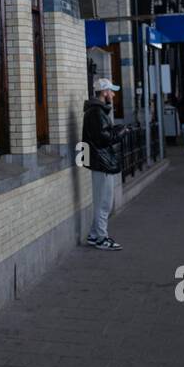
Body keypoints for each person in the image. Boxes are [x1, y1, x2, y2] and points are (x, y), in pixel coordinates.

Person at [82, 78, 124, 250]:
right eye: (111, 91)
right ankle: (101, 238)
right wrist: (119, 134)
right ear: (105, 92)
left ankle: (94, 235)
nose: (113, 95)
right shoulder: (96, 113)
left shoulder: (97, 112)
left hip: (100, 161)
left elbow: (101, 134)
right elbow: (103, 139)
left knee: (103, 200)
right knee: (104, 202)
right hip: (102, 163)